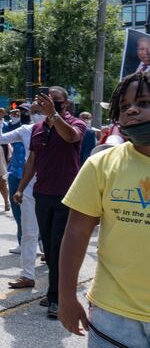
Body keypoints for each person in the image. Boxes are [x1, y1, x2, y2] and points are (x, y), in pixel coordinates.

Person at [58, 71, 150, 346]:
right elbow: (76, 232)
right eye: (124, 107)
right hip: (113, 314)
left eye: (143, 103)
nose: (131, 109)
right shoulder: (102, 164)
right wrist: (66, 297)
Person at [14, 86, 87, 318]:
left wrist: (54, 115)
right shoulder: (37, 128)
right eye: (46, 101)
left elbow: (71, 137)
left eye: (54, 101)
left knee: (58, 248)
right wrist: (21, 188)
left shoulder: (75, 123)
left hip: (67, 195)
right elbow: (32, 160)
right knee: (48, 246)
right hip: (43, 194)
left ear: (64, 104)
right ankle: (55, 292)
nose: (48, 104)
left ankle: (57, 298)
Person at [0, 103, 41, 290]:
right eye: (34, 112)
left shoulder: (62, 128)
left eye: (40, 111)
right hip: (29, 184)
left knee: (55, 233)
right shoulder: (25, 130)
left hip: (55, 185)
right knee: (29, 232)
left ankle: (59, 279)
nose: (37, 115)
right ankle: (28, 275)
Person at [3, 103, 32, 254]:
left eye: (24, 112)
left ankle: (38, 242)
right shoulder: (16, 128)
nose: (21, 114)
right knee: (17, 211)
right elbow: (2, 136)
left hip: (32, 176)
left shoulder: (36, 127)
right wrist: (13, 120)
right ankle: (21, 242)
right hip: (15, 174)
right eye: (18, 112)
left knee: (35, 212)